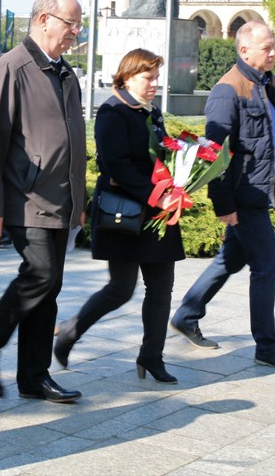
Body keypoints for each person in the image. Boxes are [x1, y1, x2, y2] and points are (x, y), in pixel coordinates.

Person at [0, 0, 87, 403]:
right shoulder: (11, 67)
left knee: (48, 289)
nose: (76, 31)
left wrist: (78, 203)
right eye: (70, 23)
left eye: (79, 24)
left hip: (60, 201)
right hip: (26, 198)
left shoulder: (65, 73)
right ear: (43, 20)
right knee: (40, 275)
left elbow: (74, 142)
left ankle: (34, 377)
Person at [170, 21, 275, 370]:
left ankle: (187, 315)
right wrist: (223, 204)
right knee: (267, 263)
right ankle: (268, 346)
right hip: (242, 194)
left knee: (231, 259)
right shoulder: (227, 90)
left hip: (261, 190)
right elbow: (214, 153)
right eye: (267, 47)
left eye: (274, 46)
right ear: (245, 50)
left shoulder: (273, 84)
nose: (273, 52)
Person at [53, 49, 184, 384]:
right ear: (127, 77)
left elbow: (159, 154)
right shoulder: (113, 111)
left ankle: (151, 356)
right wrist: (156, 194)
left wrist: (181, 173)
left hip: (157, 209)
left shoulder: (150, 111)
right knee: (121, 288)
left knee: (161, 289)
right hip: (124, 211)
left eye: (157, 77)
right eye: (148, 77)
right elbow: (117, 165)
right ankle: (70, 330)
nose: (154, 83)